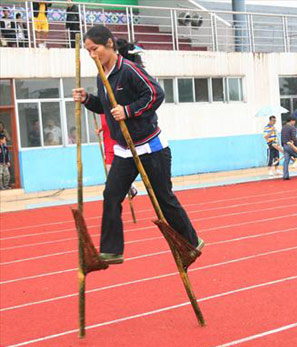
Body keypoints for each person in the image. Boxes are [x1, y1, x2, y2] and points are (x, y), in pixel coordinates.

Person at [72, 25, 202, 264]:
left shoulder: (130, 70)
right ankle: (111, 251)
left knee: (164, 200)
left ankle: (191, 243)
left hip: (150, 148)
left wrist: (128, 111)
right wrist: (87, 99)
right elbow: (106, 106)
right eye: (88, 51)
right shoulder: (102, 75)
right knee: (111, 196)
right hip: (124, 152)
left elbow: (155, 94)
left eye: (95, 49)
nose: (92, 55)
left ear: (109, 44)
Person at [96, 113, 138, 198]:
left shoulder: (114, 111)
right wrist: (100, 129)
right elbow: (106, 126)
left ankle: (129, 187)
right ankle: (124, 189)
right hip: (108, 147)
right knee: (110, 173)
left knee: (119, 173)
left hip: (118, 146)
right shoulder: (102, 113)